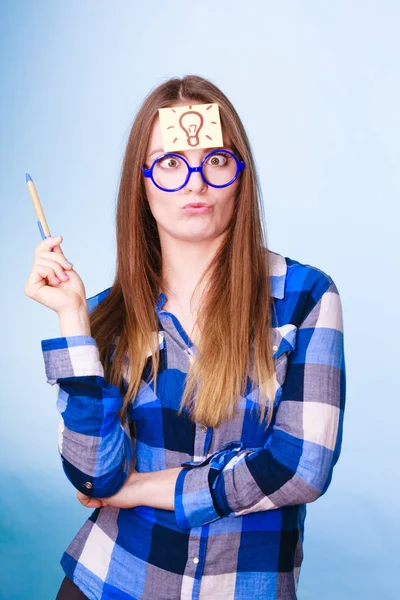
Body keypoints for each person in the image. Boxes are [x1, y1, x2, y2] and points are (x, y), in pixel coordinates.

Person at [24, 75, 346, 600]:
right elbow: (93, 480)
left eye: (215, 160)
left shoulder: (305, 297)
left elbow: (301, 467)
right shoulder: (107, 313)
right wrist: (73, 320)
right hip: (110, 582)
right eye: (170, 164)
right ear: (142, 182)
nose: (195, 183)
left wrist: (144, 488)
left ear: (240, 175)